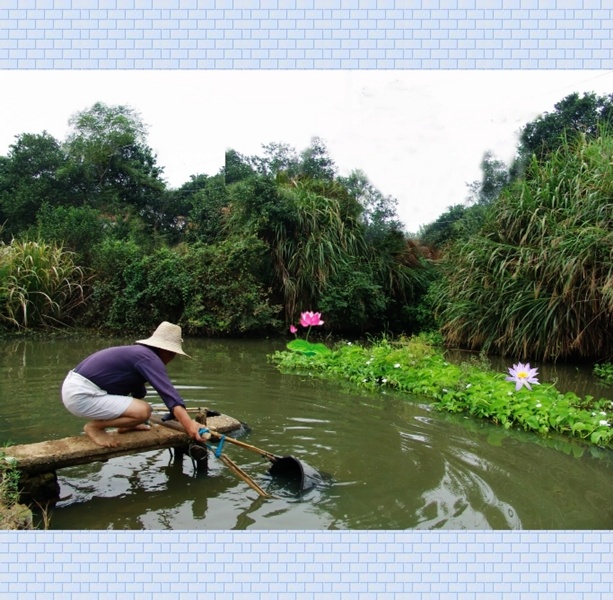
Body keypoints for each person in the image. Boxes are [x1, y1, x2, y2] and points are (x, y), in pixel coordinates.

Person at [61, 321, 209, 448]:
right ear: (168, 351)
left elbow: (138, 392)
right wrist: (190, 426)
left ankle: (127, 425)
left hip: (75, 389)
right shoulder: (149, 358)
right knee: (143, 411)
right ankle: (95, 427)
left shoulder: (140, 355)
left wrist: (133, 421)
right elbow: (169, 395)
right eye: (173, 354)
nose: (172, 358)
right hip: (81, 395)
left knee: (139, 409)